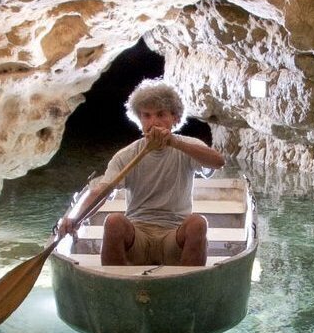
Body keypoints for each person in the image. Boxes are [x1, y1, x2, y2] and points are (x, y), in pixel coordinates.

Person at [57, 80, 226, 266]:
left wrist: (174, 143)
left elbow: (218, 162)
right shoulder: (126, 155)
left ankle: (187, 285)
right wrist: (75, 218)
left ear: (175, 118)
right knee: (114, 221)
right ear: (139, 120)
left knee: (198, 223)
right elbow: (100, 192)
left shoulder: (188, 147)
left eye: (161, 114)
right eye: (146, 116)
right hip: (138, 234)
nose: (153, 122)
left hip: (175, 234)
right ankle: (117, 284)